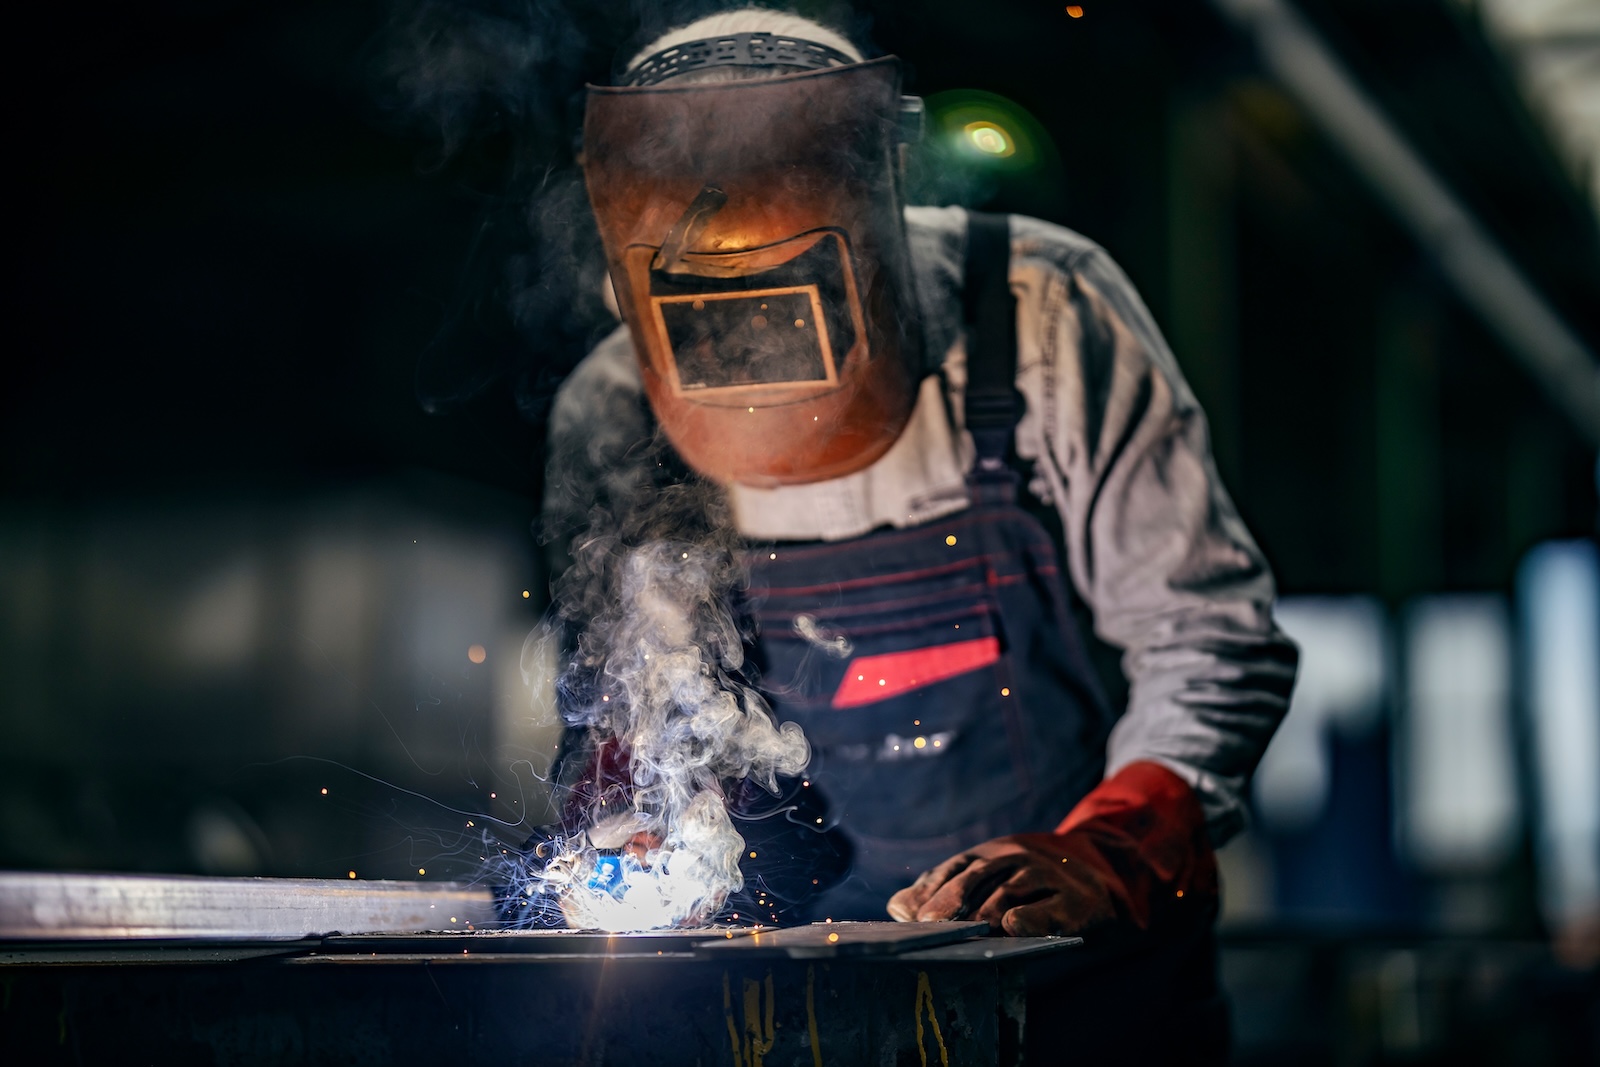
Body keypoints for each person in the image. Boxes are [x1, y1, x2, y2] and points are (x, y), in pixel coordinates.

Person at [541, 4, 1297, 975]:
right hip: (798, 975)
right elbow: (635, 702)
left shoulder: (1041, 318)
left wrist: (1106, 854)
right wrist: (638, 820)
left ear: (882, 210)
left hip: (1077, 960)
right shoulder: (610, 409)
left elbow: (1208, 640)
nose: (756, 356)